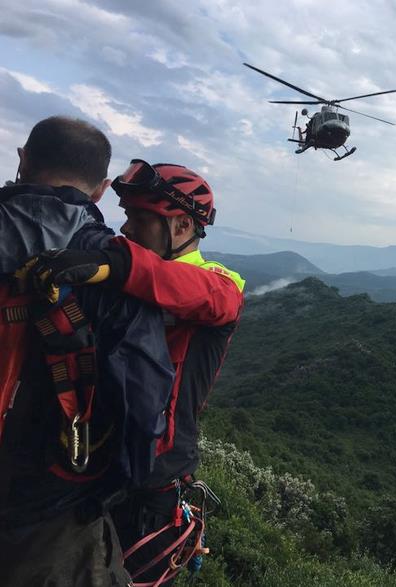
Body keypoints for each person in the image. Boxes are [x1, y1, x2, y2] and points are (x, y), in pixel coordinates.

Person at [27, 160, 245, 584]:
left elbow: (213, 298)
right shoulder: (126, 275)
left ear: (182, 226)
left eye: (140, 219)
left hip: (152, 483)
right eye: (125, 217)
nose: (125, 229)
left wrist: (117, 265)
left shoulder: (218, 281)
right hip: (95, 462)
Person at [0, 116, 175, 586]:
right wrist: (104, 492)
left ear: (22, 160)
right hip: (51, 517)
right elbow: (144, 410)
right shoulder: (114, 269)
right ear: (100, 191)